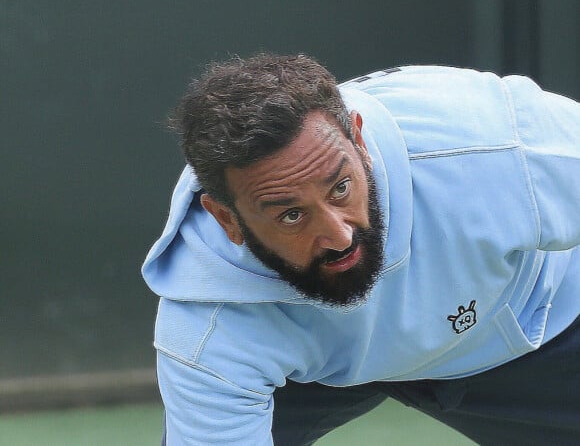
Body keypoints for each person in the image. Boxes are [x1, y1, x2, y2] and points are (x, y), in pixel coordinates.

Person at [142, 53, 580, 445]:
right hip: (312, 371)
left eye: (341, 188)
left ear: (360, 142)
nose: (339, 237)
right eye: (291, 215)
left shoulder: (493, 148)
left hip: (531, 319)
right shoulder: (209, 321)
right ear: (227, 219)